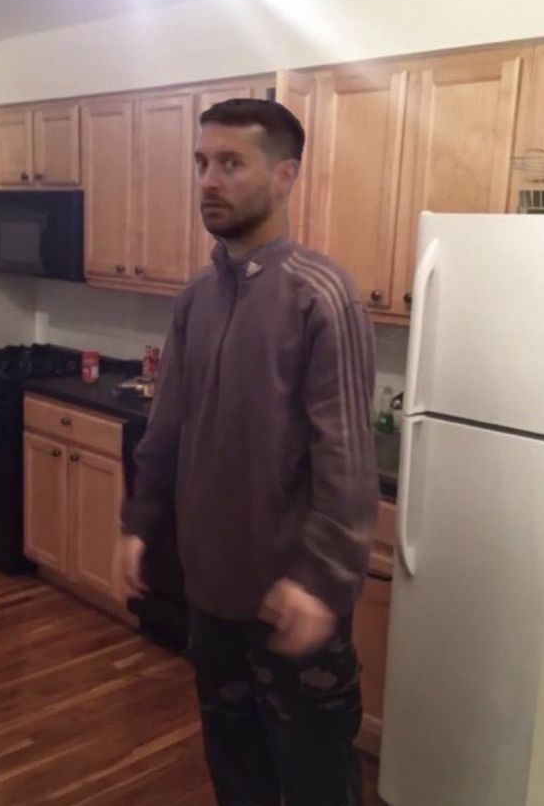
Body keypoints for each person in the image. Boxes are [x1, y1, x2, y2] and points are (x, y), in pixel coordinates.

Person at [116, 97, 378, 806]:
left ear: (285, 175)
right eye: (202, 163)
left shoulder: (322, 296)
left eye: (231, 163)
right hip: (212, 597)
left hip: (294, 601)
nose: (208, 180)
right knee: (237, 776)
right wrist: (140, 523)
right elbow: (166, 426)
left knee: (317, 782)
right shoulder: (195, 298)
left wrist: (322, 580)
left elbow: (346, 464)